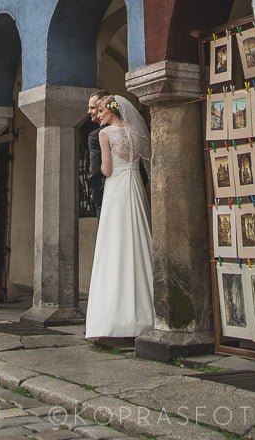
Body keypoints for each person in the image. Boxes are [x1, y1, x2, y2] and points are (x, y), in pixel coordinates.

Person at [85, 95, 154, 340]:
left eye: (101, 110)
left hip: (116, 189)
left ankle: (114, 317)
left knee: (114, 244)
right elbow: (143, 162)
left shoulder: (105, 135)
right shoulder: (136, 132)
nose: (99, 115)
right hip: (134, 185)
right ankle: (147, 313)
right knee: (137, 240)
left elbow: (106, 169)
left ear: (112, 111)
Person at [86, 90, 109, 218]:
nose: (88, 111)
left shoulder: (96, 136)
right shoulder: (127, 131)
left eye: (92, 108)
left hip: (105, 195)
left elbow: (94, 172)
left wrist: (95, 197)